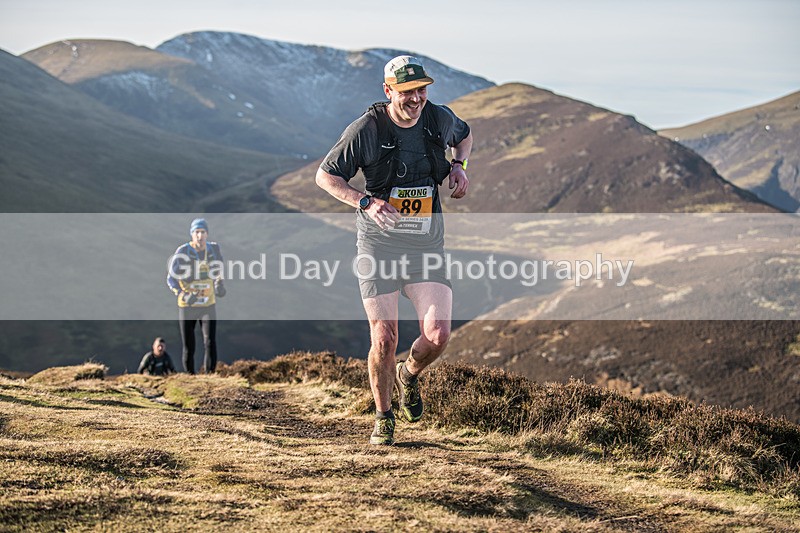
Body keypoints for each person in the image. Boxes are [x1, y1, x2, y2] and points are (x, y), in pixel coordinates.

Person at [315, 55, 473, 445]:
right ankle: (384, 416)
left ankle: (409, 376)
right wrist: (364, 202)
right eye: (407, 92)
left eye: (421, 89)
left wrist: (459, 164)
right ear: (388, 91)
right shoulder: (366, 129)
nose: (416, 98)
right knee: (384, 339)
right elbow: (325, 176)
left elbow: (466, 133)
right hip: (379, 245)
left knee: (437, 335)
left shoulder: (438, 118)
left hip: (425, 246)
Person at [166, 218, 226, 374]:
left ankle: (210, 376)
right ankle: (190, 377)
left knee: (210, 342)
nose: (200, 236)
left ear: (207, 234)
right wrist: (183, 295)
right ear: (192, 234)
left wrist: (220, 284)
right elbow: (171, 279)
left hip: (208, 304)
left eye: (203, 232)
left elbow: (219, 270)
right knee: (189, 345)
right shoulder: (183, 251)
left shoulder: (213, 249)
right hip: (188, 306)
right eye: (197, 232)